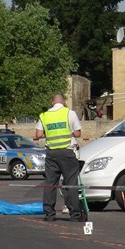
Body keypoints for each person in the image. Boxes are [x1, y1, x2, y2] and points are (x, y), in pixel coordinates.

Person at [35, 94, 83, 222]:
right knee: (70, 183)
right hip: (67, 152)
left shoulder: (44, 115)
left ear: (52, 102)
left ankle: (49, 214)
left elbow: (38, 134)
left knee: (50, 183)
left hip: (52, 154)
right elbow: (78, 133)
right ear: (64, 102)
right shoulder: (70, 113)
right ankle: (75, 215)